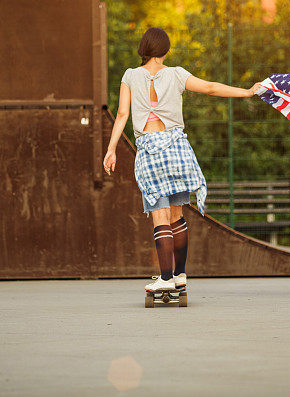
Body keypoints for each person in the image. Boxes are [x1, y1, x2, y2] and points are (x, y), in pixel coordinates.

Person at [103, 27, 262, 293]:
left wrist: (111, 149)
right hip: (177, 150)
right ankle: (179, 275)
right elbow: (210, 88)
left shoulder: (130, 76)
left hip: (150, 151)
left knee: (159, 215)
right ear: (164, 50)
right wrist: (246, 92)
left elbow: (121, 114)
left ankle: (164, 277)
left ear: (144, 49)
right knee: (177, 214)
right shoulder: (176, 74)